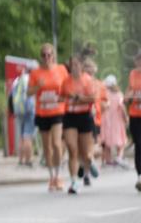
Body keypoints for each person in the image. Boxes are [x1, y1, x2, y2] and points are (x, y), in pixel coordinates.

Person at [28, 44, 68, 192]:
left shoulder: (61, 69)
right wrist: (37, 86)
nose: (47, 58)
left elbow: (68, 87)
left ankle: (58, 175)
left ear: (53, 56)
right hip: (42, 112)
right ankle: (51, 177)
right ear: (41, 57)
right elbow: (28, 92)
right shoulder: (35, 73)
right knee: (47, 147)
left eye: (49, 55)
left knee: (57, 144)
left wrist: (65, 97)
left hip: (58, 111)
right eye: (44, 55)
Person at [60, 54, 97, 194]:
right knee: (72, 149)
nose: (74, 67)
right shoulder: (66, 81)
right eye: (72, 64)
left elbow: (93, 98)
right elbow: (61, 96)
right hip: (70, 116)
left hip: (84, 116)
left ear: (81, 66)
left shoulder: (87, 80)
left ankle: (89, 162)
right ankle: (74, 182)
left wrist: (80, 98)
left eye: (77, 64)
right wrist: (64, 98)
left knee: (86, 153)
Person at [9, 67, 36, 167]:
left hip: (18, 110)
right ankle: (28, 160)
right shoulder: (31, 80)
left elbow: (11, 95)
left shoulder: (17, 80)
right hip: (29, 109)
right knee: (28, 135)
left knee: (21, 136)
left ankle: (20, 160)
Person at [99, 74, 128, 167]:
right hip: (117, 120)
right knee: (121, 140)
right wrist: (126, 117)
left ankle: (108, 160)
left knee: (107, 141)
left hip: (106, 120)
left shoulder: (104, 94)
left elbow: (101, 107)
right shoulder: (119, 94)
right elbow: (122, 107)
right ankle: (119, 156)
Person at [84, 58, 105, 179]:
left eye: (91, 67)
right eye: (86, 67)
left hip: (96, 118)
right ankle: (87, 173)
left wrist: (105, 105)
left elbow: (105, 101)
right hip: (83, 117)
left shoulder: (99, 84)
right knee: (86, 146)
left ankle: (89, 163)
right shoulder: (80, 83)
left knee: (93, 146)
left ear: (95, 69)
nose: (89, 70)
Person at [126, 51, 141, 192]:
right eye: (138, 60)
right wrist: (128, 97)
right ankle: (139, 176)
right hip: (135, 114)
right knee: (138, 144)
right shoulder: (132, 74)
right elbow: (129, 92)